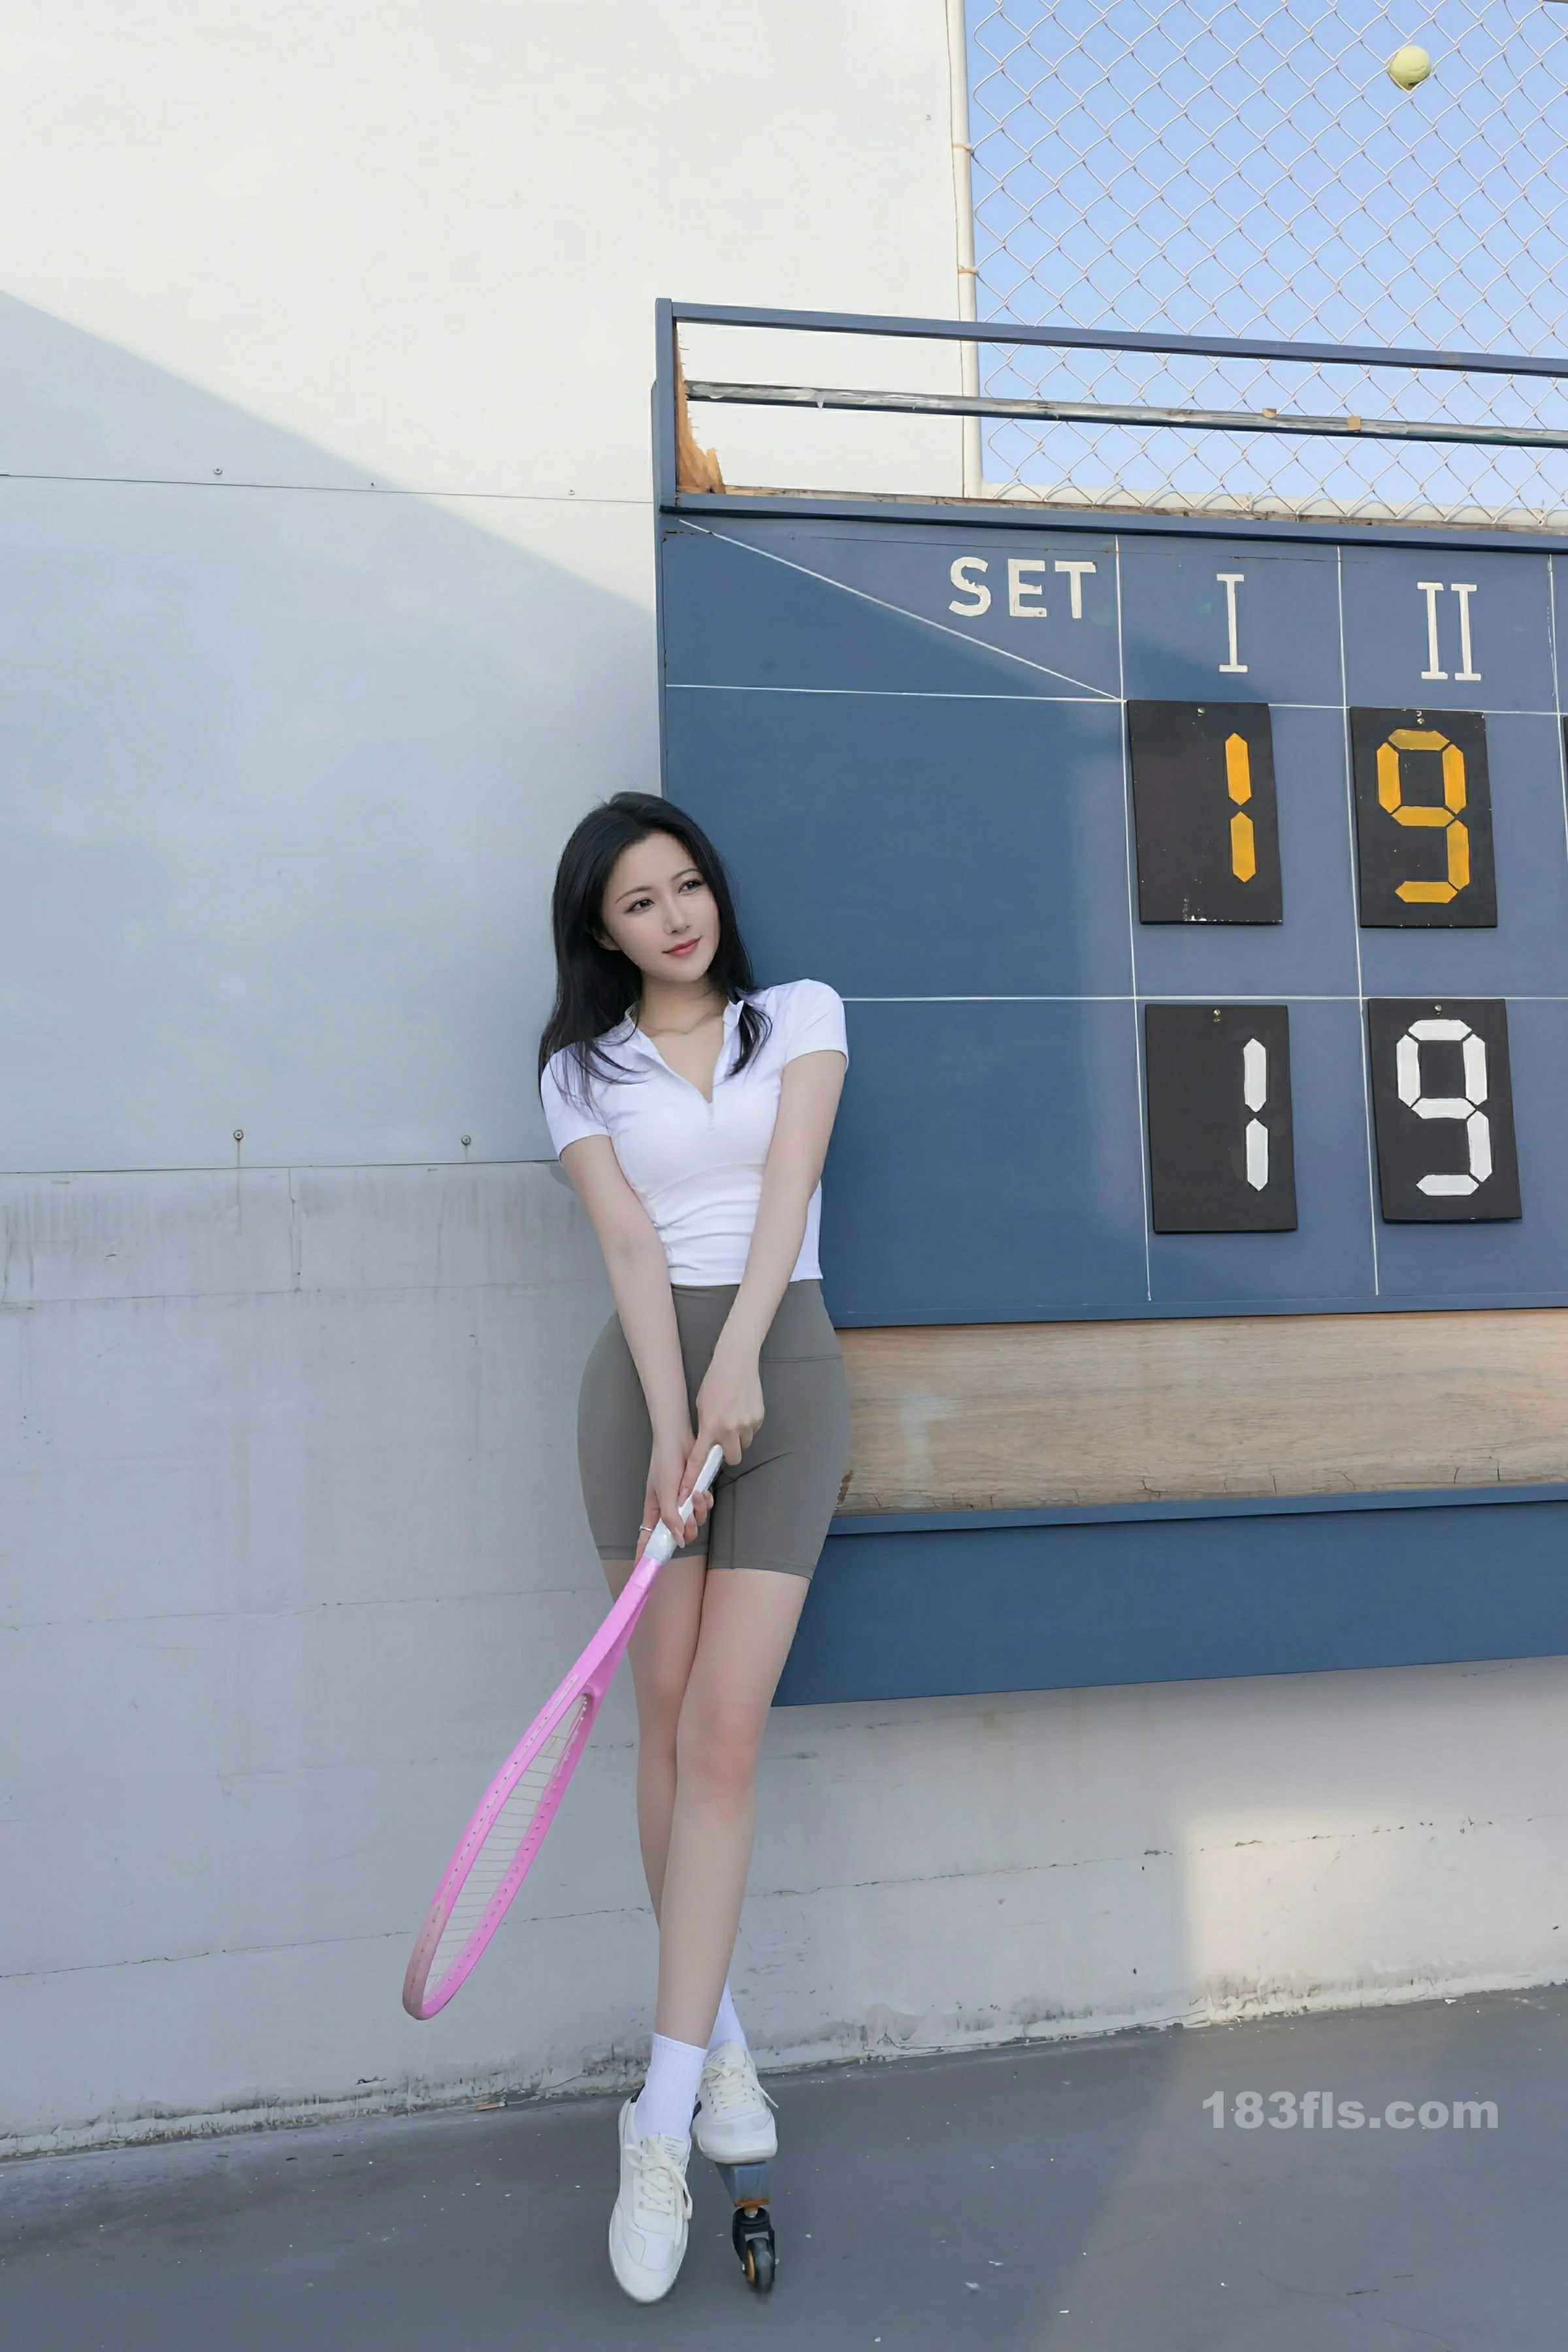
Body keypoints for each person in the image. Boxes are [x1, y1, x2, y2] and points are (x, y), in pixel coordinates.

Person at [538, 791, 849, 2302]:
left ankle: (656, 2119)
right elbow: (628, 1249)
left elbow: (786, 1193)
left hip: (785, 1377)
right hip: (649, 1398)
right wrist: (673, 1425)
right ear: (603, 933)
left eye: (687, 885)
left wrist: (737, 1378)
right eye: (640, 902)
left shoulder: (799, 1017)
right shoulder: (577, 1070)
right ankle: (714, 2049)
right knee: (662, 1722)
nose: (676, 916)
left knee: (724, 1734)